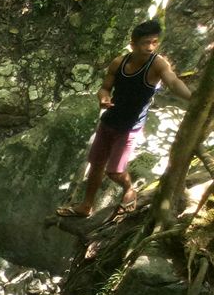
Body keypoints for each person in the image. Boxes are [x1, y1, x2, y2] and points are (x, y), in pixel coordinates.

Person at [57, 18, 192, 219]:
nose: (150, 47)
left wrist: (194, 98)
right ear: (133, 44)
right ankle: (86, 206)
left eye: (155, 42)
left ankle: (129, 189)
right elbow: (104, 87)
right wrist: (103, 97)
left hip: (130, 127)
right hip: (109, 121)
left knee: (114, 172)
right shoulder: (119, 62)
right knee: (95, 165)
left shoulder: (157, 64)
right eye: (146, 43)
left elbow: (172, 82)